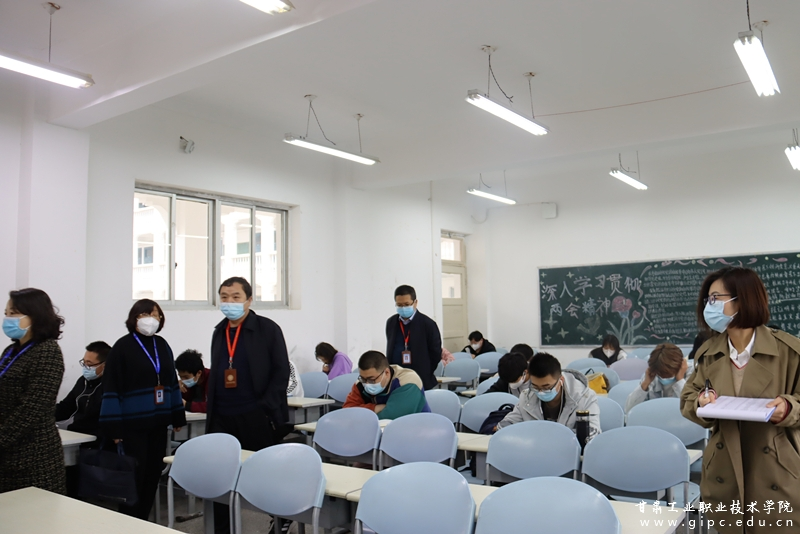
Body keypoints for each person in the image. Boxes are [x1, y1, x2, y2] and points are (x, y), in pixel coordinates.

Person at [681, 267, 800, 532]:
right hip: (724, 467)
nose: (709, 306)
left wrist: (788, 408)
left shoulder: (790, 351)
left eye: (716, 298)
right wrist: (701, 403)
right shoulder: (708, 353)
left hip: (777, 467)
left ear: (742, 299)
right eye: (707, 300)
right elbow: (688, 398)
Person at [207, 277, 289, 534]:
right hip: (222, 415)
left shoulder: (267, 329)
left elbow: (281, 371)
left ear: (249, 300)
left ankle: (281, 519)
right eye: (224, 297)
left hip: (256, 415)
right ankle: (223, 529)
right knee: (220, 477)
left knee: (265, 474)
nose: (229, 302)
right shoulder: (219, 331)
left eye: (235, 297)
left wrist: (264, 407)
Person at [99, 299, 185, 519]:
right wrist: (113, 428)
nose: (151, 319)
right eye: (145, 315)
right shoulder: (122, 347)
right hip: (132, 426)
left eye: (156, 315)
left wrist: (177, 415)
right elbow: (111, 388)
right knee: (133, 476)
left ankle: (143, 520)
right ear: (134, 319)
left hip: (158, 424)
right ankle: (129, 522)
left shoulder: (162, 345)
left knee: (152, 474)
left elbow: (171, 382)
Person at [0, 288, 66, 495]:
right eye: (6, 313)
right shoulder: (11, 351)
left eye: (14, 313)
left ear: (35, 315)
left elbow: (31, 409)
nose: (8, 319)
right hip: (7, 454)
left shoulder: (47, 351)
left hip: (33, 456)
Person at [495, 353, 600, 442]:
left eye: (547, 387)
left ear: (561, 380)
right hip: (536, 452)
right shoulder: (527, 396)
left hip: (570, 453)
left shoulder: (585, 397)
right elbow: (506, 424)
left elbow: (592, 434)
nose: (540, 392)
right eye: (535, 387)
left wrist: (545, 437)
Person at [56, 340, 111, 498]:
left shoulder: (110, 386)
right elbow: (66, 407)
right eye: (84, 362)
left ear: (105, 365)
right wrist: (43, 416)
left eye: (90, 364)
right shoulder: (83, 382)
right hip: (78, 435)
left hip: (97, 439)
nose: (86, 367)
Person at [385, 285, 442, 390]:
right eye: (399, 305)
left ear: (415, 302)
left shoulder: (428, 324)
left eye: (407, 304)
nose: (403, 308)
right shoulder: (391, 322)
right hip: (397, 379)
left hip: (421, 378)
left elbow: (435, 353)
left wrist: (426, 371)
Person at [343, 350, 430, 419]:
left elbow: (391, 417)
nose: (367, 383)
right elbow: (347, 412)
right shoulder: (360, 383)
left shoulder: (408, 382)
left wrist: (361, 414)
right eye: (363, 378)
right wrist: (375, 408)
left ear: (387, 373)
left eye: (371, 379)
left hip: (418, 430)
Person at [624, 343, 688, 412]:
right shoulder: (652, 374)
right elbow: (629, 409)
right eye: (661, 374)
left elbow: (692, 407)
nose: (664, 377)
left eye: (668, 374)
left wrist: (680, 380)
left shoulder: (691, 373)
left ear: (681, 365)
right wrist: (645, 383)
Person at [175, 349, 209, 413]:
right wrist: (178, 391)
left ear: (198, 373)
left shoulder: (213, 380)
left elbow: (214, 406)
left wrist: (187, 405)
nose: (183, 380)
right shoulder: (188, 384)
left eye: (186, 377)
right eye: (181, 377)